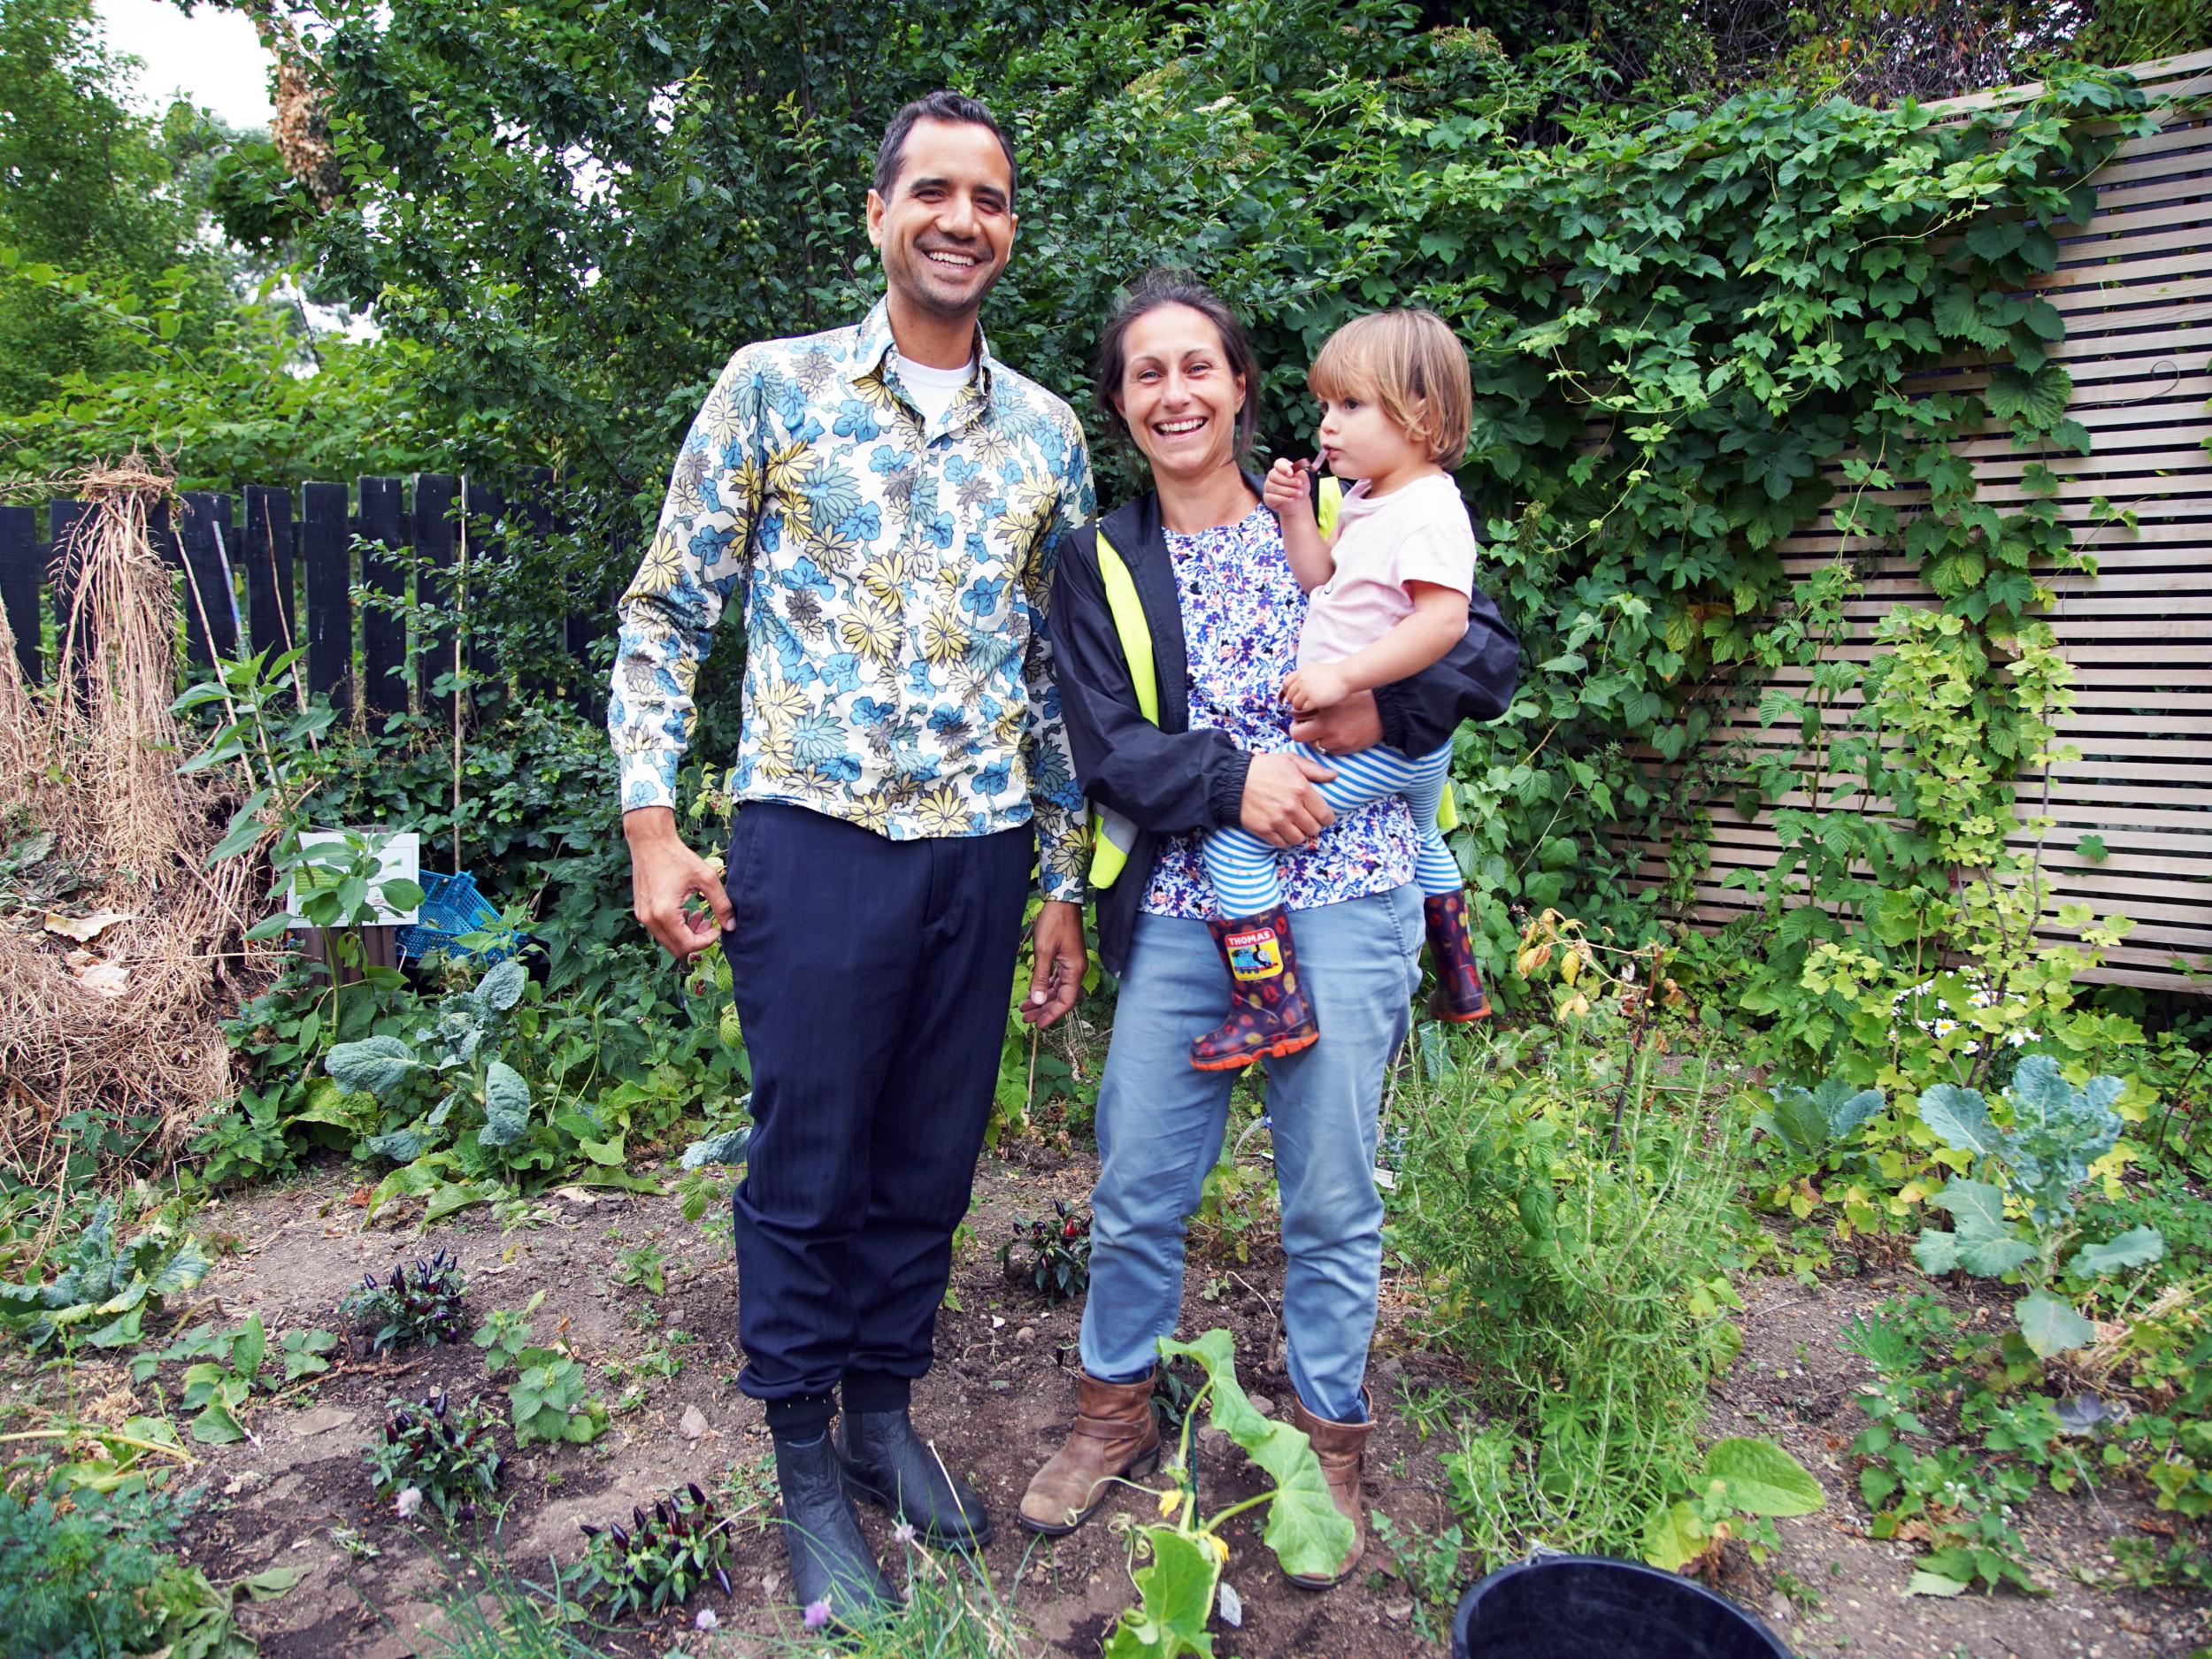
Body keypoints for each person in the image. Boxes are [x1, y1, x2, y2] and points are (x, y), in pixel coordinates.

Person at [608, 91, 1092, 1626]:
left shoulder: (1048, 436)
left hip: (982, 845)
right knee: (810, 1163)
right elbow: (667, 612)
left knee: (931, 1162)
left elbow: (1062, 676)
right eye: (934, 193)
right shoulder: (773, 390)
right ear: (880, 214)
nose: (963, 220)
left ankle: (882, 1414)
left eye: (991, 200)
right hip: (808, 842)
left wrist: (1066, 878)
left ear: (1010, 231)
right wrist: (652, 824)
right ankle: (804, 1461)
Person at [1018, 272, 1517, 1586]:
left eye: (1199, 367)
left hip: (1350, 893)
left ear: (1242, 385)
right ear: (1122, 404)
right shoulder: (1101, 559)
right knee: (1136, 1179)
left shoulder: (1358, 507)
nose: (1174, 393)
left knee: (1334, 1190)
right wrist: (1234, 781)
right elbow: (1104, 743)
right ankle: (1112, 1407)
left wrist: (1380, 714)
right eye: (1145, 374)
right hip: (1192, 903)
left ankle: (1326, 1436)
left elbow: (1482, 651)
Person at [1187, 307, 1494, 1071]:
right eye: (1326, 405)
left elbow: (1446, 622)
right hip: (1419, 748)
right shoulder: (1373, 497)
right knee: (1424, 839)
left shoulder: (1427, 508)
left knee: (1235, 845)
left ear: (1419, 413)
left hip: (1389, 739)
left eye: (1351, 406)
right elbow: (1321, 580)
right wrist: (1294, 513)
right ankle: (1459, 973)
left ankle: (1270, 1005)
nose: (1328, 425)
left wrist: (1345, 678)